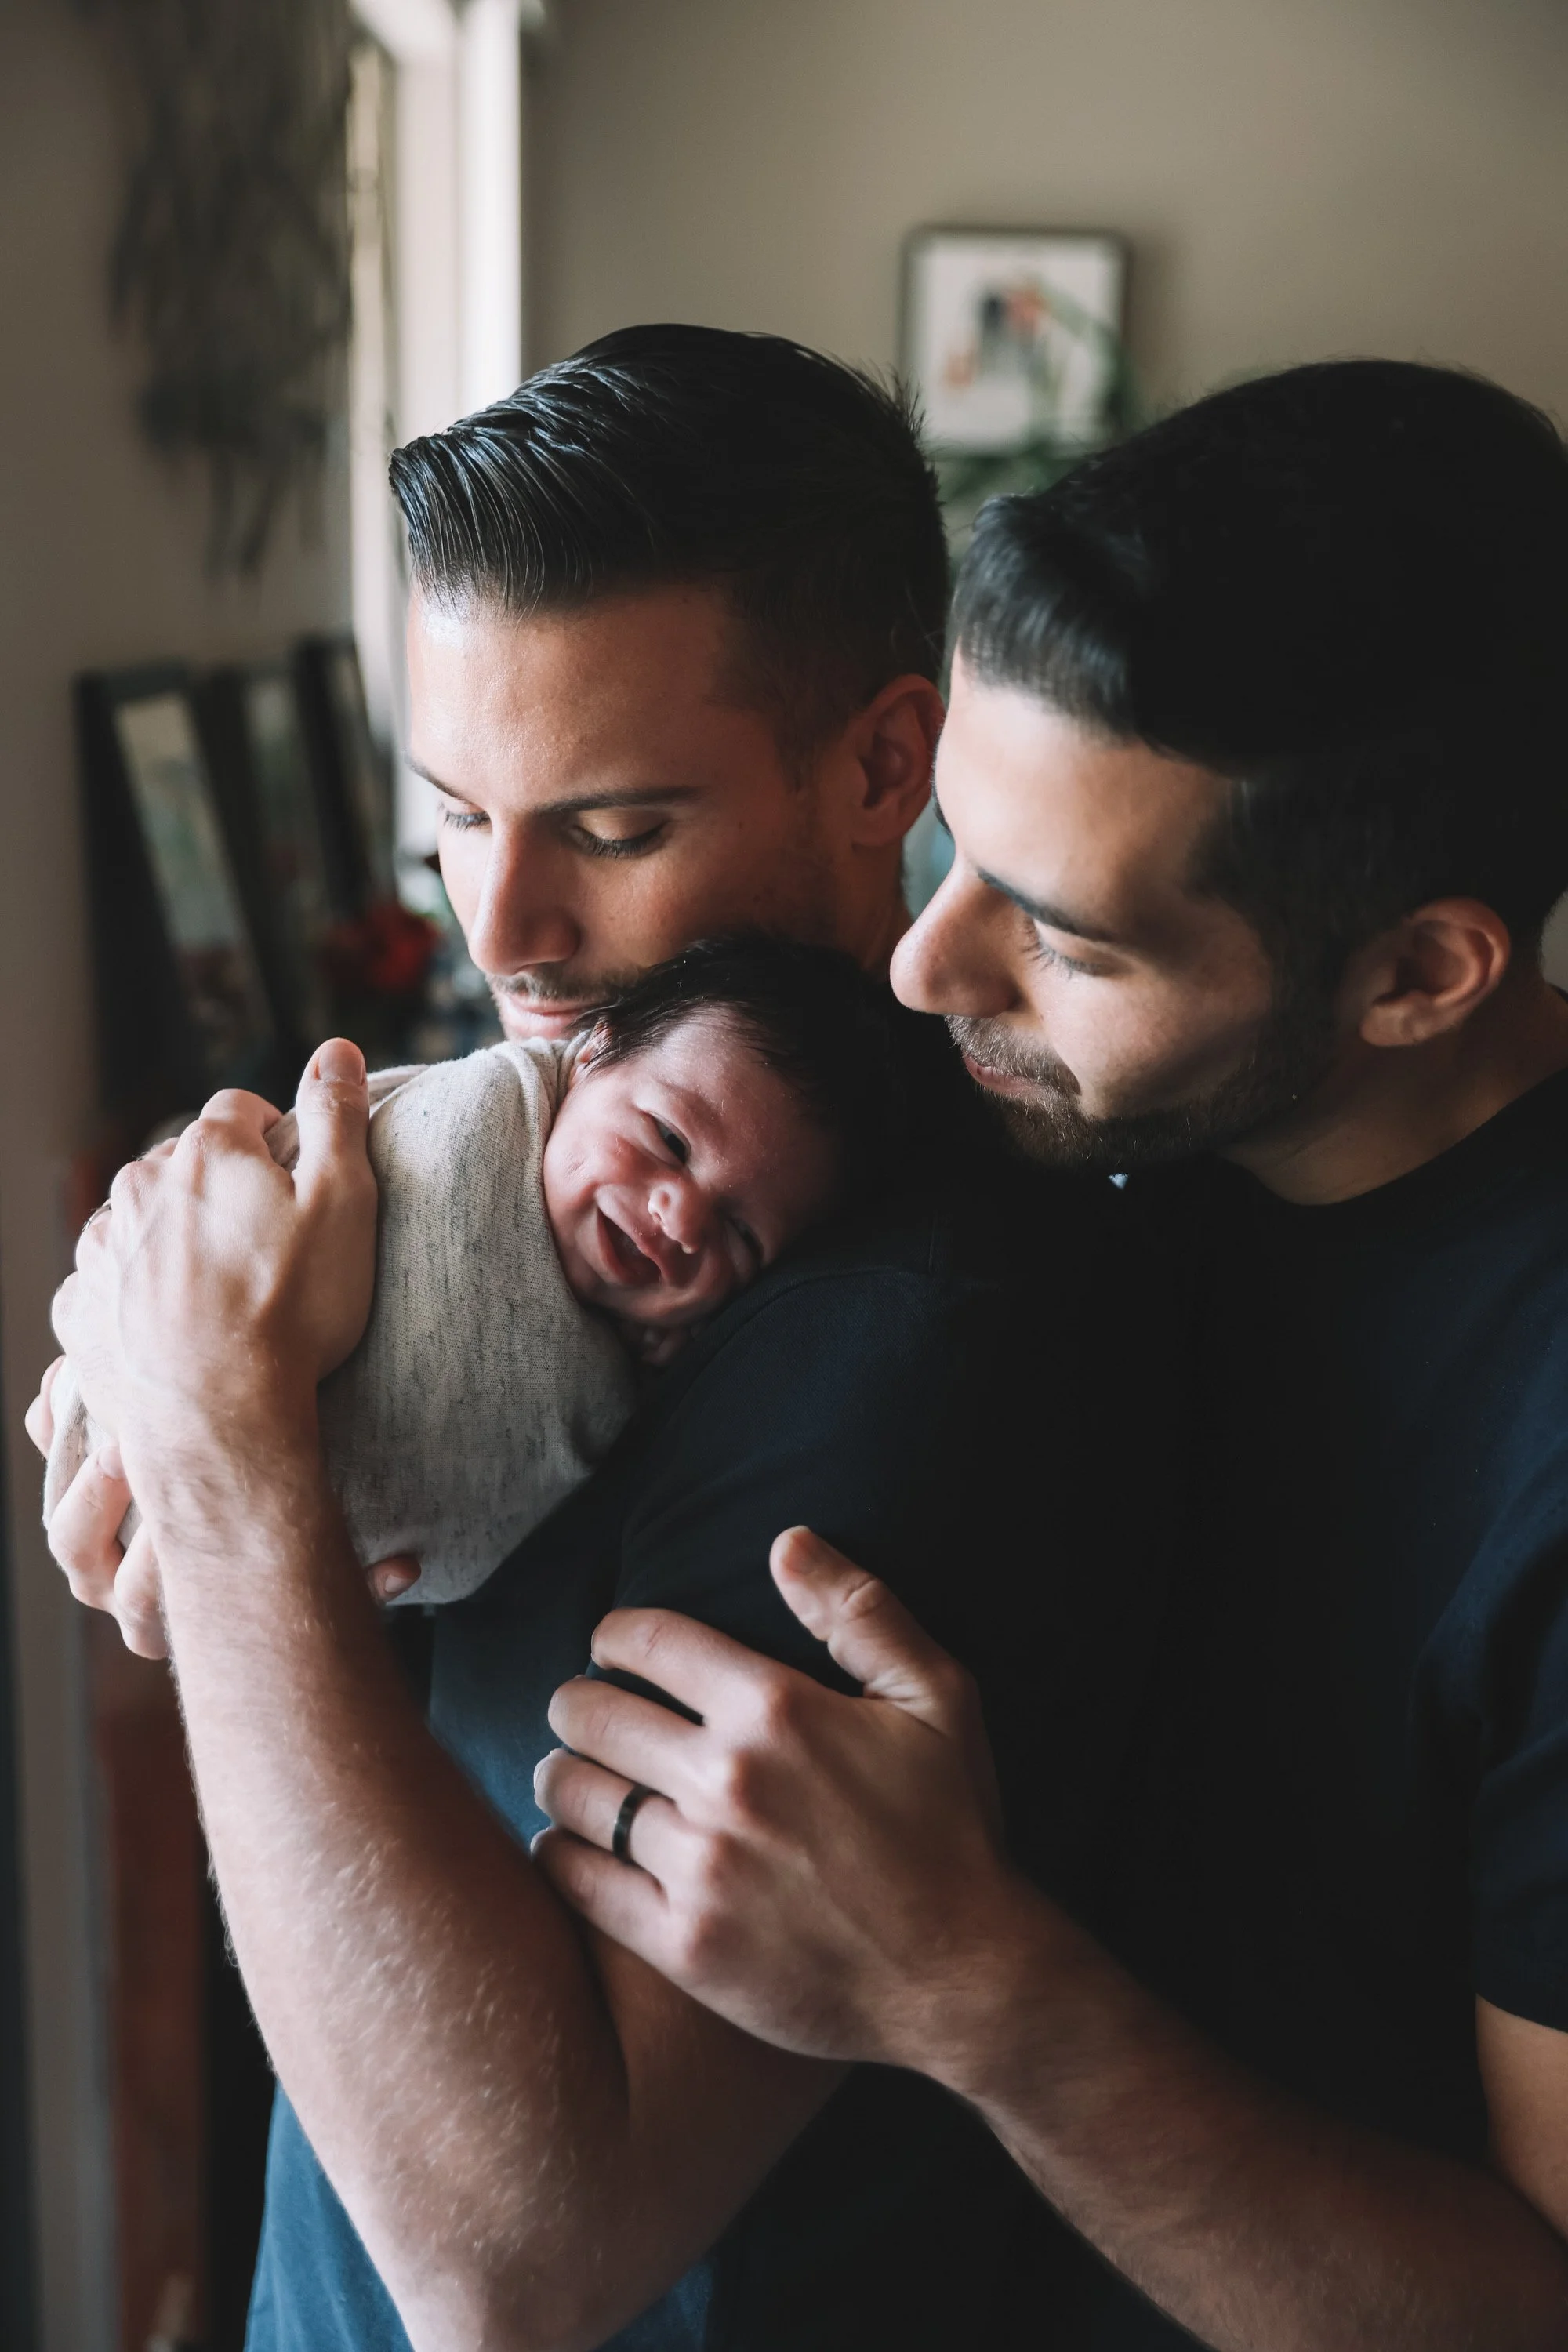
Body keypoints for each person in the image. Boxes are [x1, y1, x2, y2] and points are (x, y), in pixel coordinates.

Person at [34, 326, 1170, 2349]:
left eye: (616, 829)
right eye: (456, 816)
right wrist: (186, 1468)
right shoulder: (545, 1146)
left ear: (882, 762)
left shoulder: (881, 1352)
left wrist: (226, 1482)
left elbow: (519, 2259)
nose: (503, 930)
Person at [529, 360, 1568, 2350]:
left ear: (1413, 976)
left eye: (1063, 935)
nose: (926, 970)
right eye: (953, 850)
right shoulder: (1054, 1102)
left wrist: (967, 1984)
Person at [42, 934, 930, 1610]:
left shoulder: (662, 1386)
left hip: (250, 1581)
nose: (680, 1214)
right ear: (588, 1053)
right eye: (665, 1138)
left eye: (738, 1234)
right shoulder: (477, 1116)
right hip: (141, 1457)